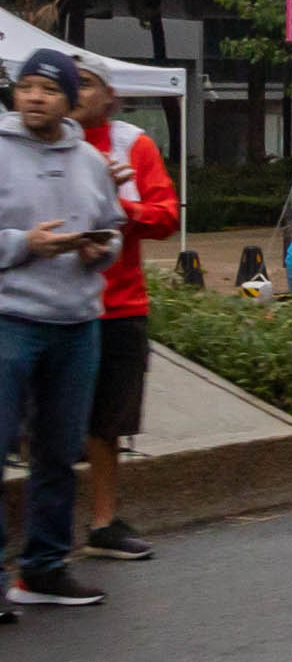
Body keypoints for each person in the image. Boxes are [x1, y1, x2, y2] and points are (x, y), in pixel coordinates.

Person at [0, 48, 125, 610]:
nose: (34, 97)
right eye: (26, 86)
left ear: (70, 101)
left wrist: (100, 249)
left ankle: (43, 571)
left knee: (58, 452)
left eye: (49, 90)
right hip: (9, 320)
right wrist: (25, 244)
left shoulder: (91, 161)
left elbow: (113, 228)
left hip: (77, 324)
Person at [73, 68, 173, 565]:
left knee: (107, 422)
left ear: (110, 96)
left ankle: (103, 523)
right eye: (65, 82)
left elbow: (166, 215)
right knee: (37, 427)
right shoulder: (28, 144)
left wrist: (121, 209)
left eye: (86, 82)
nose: (74, 91)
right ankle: (39, 543)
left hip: (119, 306)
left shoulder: (133, 144)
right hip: (47, 310)